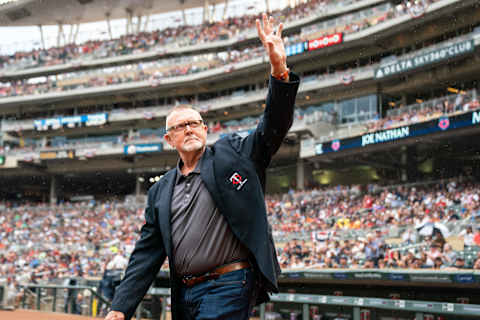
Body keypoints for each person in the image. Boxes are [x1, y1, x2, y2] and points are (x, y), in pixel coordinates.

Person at [105, 13, 300, 320]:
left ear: (206, 130)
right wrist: (120, 306)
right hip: (184, 292)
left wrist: (279, 71)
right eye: (181, 126)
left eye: (195, 123)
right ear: (170, 139)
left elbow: (273, 125)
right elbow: (146, 255)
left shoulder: (234, 154)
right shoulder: (160, 191)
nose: (190, 129)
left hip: (230, 282)